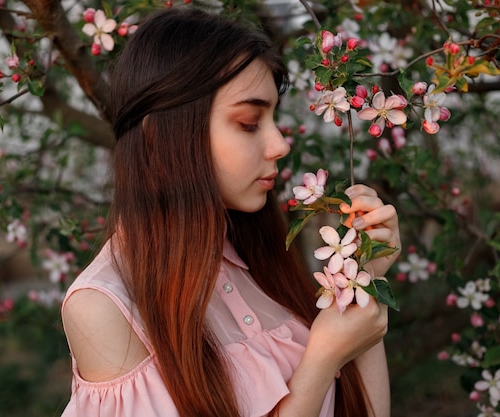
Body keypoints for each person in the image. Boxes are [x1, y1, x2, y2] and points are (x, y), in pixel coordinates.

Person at [61, 7, 401, 417]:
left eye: (273, 118)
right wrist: (322, 358)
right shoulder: (104, 309)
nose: (280, 144)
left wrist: (362, 283)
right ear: (160, 134)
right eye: (248, 122)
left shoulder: (252, 254)